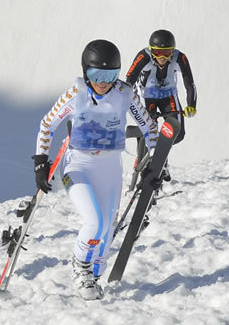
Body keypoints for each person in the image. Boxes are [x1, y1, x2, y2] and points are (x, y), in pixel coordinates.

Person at [35, 39, 158, 301]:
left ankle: (94, 271)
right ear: (85, 72)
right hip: (78, 164)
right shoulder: (74, 95)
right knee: (95, 221)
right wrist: (40, 162)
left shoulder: (125, 94)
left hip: (111, 166)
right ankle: (81, 268)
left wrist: (157, 162)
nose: (103, 81)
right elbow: (47, 125)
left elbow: (148, 127)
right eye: (96, 74)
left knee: (107, 228)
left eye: (110, 74)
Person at [124, 29, 198, 179]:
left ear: (173, 50)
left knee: (178, 134)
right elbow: (130, 78)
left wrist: (191, 104)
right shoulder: (143, 56)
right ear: (151, 51)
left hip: (169, 97)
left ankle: (154, 155)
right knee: (149, 130)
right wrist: (127, 99)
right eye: (157, 53)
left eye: (167, 52)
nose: (162, 57)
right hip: (147, 97)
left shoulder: (179, 57)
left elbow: (189, 83)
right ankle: (149, 154)